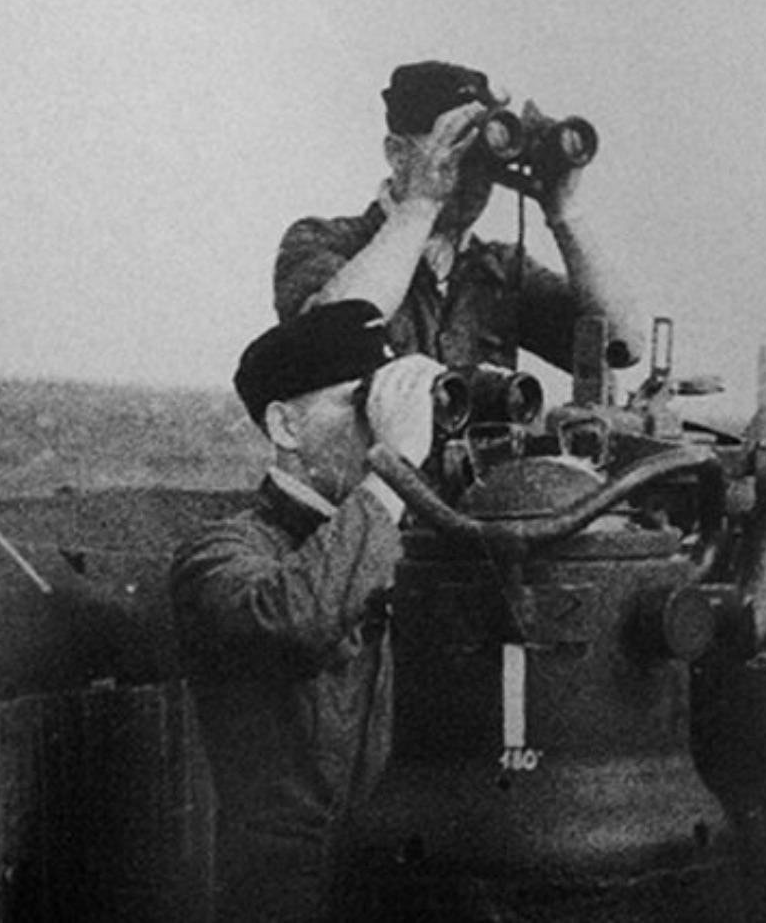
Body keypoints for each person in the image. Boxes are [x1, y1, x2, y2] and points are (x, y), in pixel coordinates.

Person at [169, 299, 444, 923]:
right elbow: (295, 620)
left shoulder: (399, 540)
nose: (380, 426)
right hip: (282, 897)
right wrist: (393, 470)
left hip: (395, 885)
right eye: (360, 403)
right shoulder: (219, 555)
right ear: (285, 428)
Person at [273, 59, 642, 374]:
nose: (469, 175)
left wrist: (564, 211)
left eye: (482, 158)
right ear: (397, 154)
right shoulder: (321, 242)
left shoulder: (500, 269)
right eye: (453, 150)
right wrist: (421, 204)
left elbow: (621, 345)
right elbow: (330, 337)